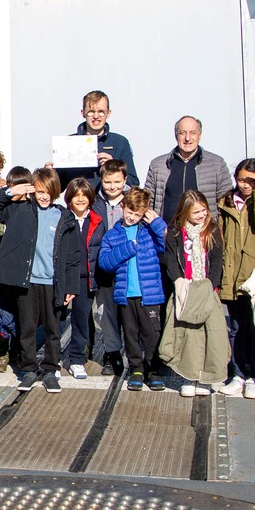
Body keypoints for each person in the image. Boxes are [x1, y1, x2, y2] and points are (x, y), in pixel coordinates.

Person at [0, 166, 82, 392]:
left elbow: (74, 257)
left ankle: (50, 370)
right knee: (26, 328)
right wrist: (10, 191)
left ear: (55, 191)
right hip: (27, 283)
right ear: (32, 191)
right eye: (39, 191)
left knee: (52, 330)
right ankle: (28, 369)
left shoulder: (64, 217)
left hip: (53, 283)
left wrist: (71, 286)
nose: (44, 196)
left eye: (48, 191)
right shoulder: (19, 210)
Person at [215, 161, 255, 398]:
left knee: (254, 328)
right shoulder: (227, 202)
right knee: (235, 328)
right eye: (242, 180)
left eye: (252, 180)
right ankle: (238, 373)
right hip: (232, 274)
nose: (246, 185)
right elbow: (221, 238)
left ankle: (254, 375)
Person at [97, 187, 170, 393]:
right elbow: (105, 263)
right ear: (122, 207)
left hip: (150, 293)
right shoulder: (112, 235)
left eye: (138, 214)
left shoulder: (149, 232)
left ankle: (153, 369)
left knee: (151, 333)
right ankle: (136, 368)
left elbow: (168, 245)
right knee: (130, 333)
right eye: (130, 212)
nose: (132, 217)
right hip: (125, 294)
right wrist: (129, 247)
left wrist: (155, 222)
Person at [160, 189, 230, 396]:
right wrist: (178, 282)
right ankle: (189, 376)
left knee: (212, 335)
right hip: (185, 288)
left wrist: (211, 285)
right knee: (187, 335)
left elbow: (217, 260)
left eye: (203, 210)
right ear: (185, 213)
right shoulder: (175, 232)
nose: (201, 215)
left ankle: (207, 378)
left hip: (206, 288)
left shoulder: (212, 229)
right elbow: (171, 260)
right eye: (195, 212)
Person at [87, 158, 132, 372]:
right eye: (107, 182)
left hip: (129, 267)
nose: (112, 187)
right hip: (104, 268)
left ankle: (135, 355)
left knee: (130, 314)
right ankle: (112, 352)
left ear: (124, 179)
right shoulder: (94, 202)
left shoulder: (133, 201)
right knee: (107, 314)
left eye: (117, 182)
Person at [60, 178, 106, 380]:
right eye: (76, 195)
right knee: (57, 320)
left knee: (81, 320)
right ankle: (52, 361)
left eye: (84, 195)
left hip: (85, 278)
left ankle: (77, 360)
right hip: (62, 277)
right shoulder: (62, 219)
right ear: (69, 198)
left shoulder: (96, 221)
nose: (80, 199)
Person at [144, 116, 233, 214]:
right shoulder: (158, 166)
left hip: (204, 228)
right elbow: (147, 203)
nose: (187, 138)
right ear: (176, 135)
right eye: (182, 133)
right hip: (167, 228)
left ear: (199, 135)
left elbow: (226, 203)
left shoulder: (217, 164)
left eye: (192, 133)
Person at [65, 90, 137, 184]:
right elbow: (58, 186)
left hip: (108, 199)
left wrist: (114, 167)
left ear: (108, 113)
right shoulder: (69, 142)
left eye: (101, 112)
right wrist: (49, 174)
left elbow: (134, 183)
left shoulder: (120, 142)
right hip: (79, 198)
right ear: (83, 113)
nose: (96, 116)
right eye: (91, 112)